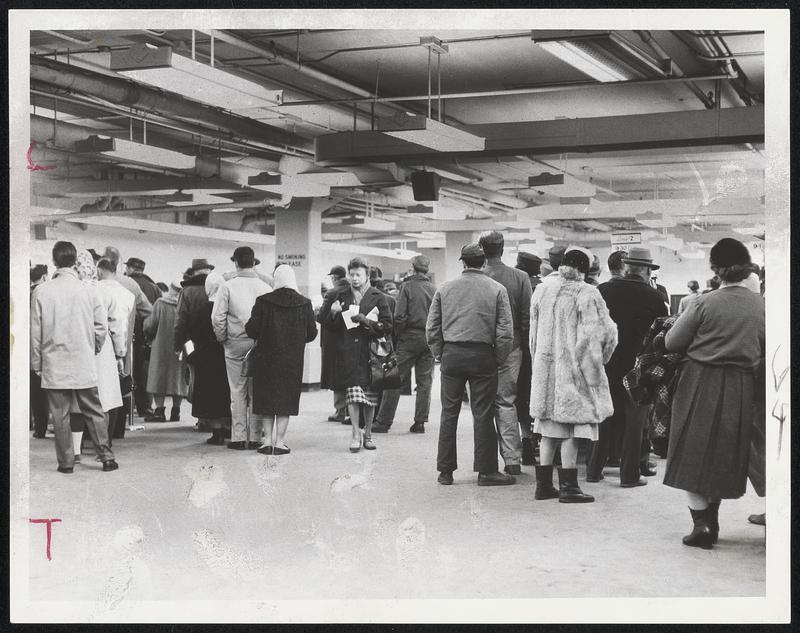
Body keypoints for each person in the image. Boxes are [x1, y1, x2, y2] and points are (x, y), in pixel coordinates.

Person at [663, 238, 765, 549]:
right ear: (747, 268)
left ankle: (703, 525)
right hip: (743, 387)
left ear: (715, 270)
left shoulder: (703, 304)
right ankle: (713, 519)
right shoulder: (760, 306)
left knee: (691, 455)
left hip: (699, 383)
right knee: (723, 455)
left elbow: (671, 343)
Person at [529, 247, 617, 503]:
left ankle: (543, 486)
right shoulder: (587, 292)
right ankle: (569, 487)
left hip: (545, 371)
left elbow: (532, 335)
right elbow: (602, 335)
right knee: (572, 428)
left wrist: (539, 363)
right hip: (574, 371)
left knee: (547, 428)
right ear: (585, 269)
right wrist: (598, 365)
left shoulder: (542, 290)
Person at [427, 243, 515, 487]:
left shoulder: (444, 289)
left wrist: (440, 353)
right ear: (484, 262)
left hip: (452, 355)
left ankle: (445, 471)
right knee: (483, 414)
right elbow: (505, 331)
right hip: (483, 355)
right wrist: (497, 358)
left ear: (463, 263)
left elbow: (432, 327)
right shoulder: (497, 289)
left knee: (449, 413)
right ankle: (487, 472)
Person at [30, 241, 118, 474]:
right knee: (94, 410)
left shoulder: (41, 291)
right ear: (74, 262)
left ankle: (66, 463)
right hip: (83, 360)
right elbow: (101, 327)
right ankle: (107, 458)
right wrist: (94, 348)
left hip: (54, 361)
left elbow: (35, 333)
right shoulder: (89, 290)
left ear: (54, 261)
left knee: (60, 415)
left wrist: (37, 363)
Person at [586, 247, 668, 487]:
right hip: (638, 367)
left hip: (607, 363)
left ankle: (593, 471)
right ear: (645, 270)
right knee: (635, 421)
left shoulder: (603, 290)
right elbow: (663, 334)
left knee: (605, 417)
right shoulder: (654, 297)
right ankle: (629, 475)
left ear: (626, 268)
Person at [244, 265, 318, 455]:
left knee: (267, 399)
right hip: (291, 361)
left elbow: (251, 329)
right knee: (286, 400)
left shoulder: (263, 301)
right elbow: (311, 333)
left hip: (266, 359)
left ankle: (266, 441)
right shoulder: (305, 303)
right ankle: (280, 442)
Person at [323, 257, 393, 452]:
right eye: (351, 274)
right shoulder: (342, 296)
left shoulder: (378, 296)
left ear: (366, 275)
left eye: (358, 275)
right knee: (353, 396)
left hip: (370, 354)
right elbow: (330, 327)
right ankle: (355, 434)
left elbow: (387, 326)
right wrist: (334, 314)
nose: (354, 278)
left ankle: (368, 434)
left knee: (369, 398)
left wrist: (366, 321)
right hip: (348, 352)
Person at [479, 231, 532, 476]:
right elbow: (526, 318)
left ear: (482, 249)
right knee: (506, 402)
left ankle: (486, 462)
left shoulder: (476, 279)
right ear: (502, 249)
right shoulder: (520, 277)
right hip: (512, 348)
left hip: (481, 350)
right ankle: (512, 459)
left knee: (482, 406)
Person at [212, 247, 272, 450]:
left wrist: (223, 339)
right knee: (256, 391)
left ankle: (238, 437)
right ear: (254, 263)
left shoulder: (227, 287)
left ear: (235, 263)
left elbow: (217, 318)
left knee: (237, 390)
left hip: (235, 343)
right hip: (259, 344)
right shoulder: (266, 288)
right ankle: (255, 437)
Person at [373, 255, 436, 434]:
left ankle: (384, 422)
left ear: (413, 268)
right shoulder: (434, 288)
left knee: (394, 379)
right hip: (428, 339)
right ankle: (420, 422)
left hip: (409, 338)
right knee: (425, 382)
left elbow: (399, 316)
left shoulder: (407, 287)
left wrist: (398, 336)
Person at [174, 259, 232, 445]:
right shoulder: (226, 294)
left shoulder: (187, 292)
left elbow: (181, 323)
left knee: (199, 385)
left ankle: (205, 422)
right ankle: (229, 426)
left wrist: (180, 347)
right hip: (227, 352)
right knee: (227, 389)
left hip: (201, 351)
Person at [102, 247, 153, 431]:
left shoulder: (95, 283)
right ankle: (118, 429)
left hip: (100, 343)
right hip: (126, 341)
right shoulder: (130, 284)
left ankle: (98, 432)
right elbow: (148, 310)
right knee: (123, 382)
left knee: (102, 386)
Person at [95, 258, 135, 441]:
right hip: (122, 344)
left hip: (100, 346)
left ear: (101, 270)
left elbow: (112, 322)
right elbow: (123, 324)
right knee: (120, 390)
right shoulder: (128, 294)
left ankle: (99, 436)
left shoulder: (95, 289)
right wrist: (122, 352)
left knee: (99, 392)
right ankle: (117, 431)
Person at [143, 280, 187, 422]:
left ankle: (159, 411)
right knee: (178, 377)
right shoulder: (184, 304)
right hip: (179, 347)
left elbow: (150, 325)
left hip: (160, 346)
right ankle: (176, 411)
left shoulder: (160, 304)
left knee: (159, 377)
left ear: (170, 289)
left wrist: (147, 333)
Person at [123, 257, 162, 418]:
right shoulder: (154, 287)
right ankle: (145, 407)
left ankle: (124, 408)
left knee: (126, 371)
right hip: (147, 336)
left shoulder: (127, 283)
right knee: (143, 373)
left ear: (131, 269)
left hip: (129, 332)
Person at [514, 251, 542, 465]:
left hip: (521, 348)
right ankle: (543, 440)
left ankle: (526, 444)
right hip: (541, 350)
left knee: (521, 398)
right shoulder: (542, 288)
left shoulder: (514, 284)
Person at [317, 265, 351, 424]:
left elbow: (321, 317)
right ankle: (351, 409)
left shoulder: (331, 293)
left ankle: (340, 410)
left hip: (332, 339)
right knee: (348, 373)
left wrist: (319, 312)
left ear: (334, 277)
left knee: (335, 375)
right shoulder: (352, 290)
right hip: (350, 337)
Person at [30, 264, 49, 438]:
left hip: (26, 348)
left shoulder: (25, 293)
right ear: (44, 276)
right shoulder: (45, 292)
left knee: (33, 393)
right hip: (44, 348)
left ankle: (38, 428)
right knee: (43, 393)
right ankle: (43, 426)